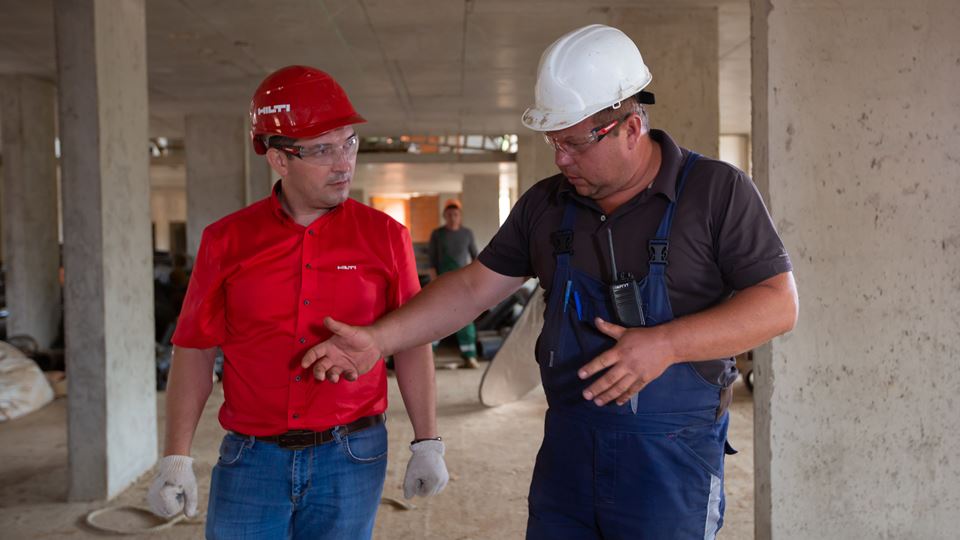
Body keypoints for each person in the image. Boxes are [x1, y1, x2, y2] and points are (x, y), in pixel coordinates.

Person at [301, 24, 798, 539]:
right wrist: (379, 339)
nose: (560, 159)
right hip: (568, 449)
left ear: (631, 126)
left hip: (671, 454)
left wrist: (668, 344)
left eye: (575, 143)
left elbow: (779, 304)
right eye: (554, 141)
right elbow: (473, 288)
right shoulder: (546, 204)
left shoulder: (716, 191)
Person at [147, 65, 448, 540]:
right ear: (278, 159)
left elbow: (412, 341)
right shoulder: (226, 241)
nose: (343, 163)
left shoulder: (386, 237)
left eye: (348, 143)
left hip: (352, 455)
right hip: (251, 459)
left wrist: (428, 441)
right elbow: (195, 348)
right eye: (323, 150)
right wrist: (175, 456)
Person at [427, 199, 480, 367]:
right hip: (442, 281)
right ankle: (430, 355)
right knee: (436, 317)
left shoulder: (467, 234)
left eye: (455, 214)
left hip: (462, 281)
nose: (452, 217)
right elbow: (432, 260)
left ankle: (469, 355)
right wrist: (433, 281)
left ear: (460, 216)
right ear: (444, 216)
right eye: (449, 215)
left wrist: (475, 280)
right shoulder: (437, 234)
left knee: (466, 318)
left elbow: (475, 257)